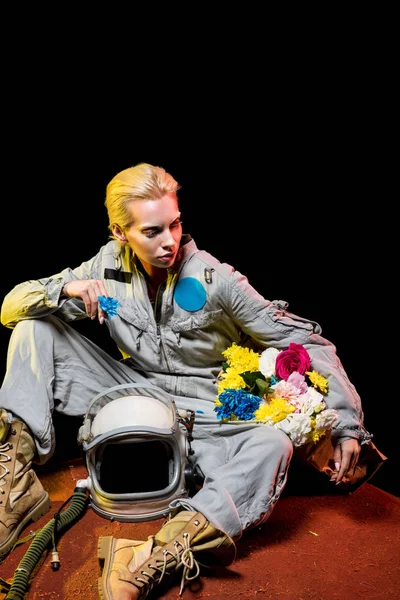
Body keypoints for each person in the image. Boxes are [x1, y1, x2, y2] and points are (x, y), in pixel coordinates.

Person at [0, 162, 373, 600]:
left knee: (274, 446)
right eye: (153, 231)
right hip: (133, 392)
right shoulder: (104, 268)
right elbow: (9, 308)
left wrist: (347, 423)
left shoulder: (218, 280)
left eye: (175, 224)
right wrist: (66, 291)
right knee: (33, 327)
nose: (170, 241)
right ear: (120, 233)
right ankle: (15, 489)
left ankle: (152, 553)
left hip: (211, 414)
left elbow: (305, 339)